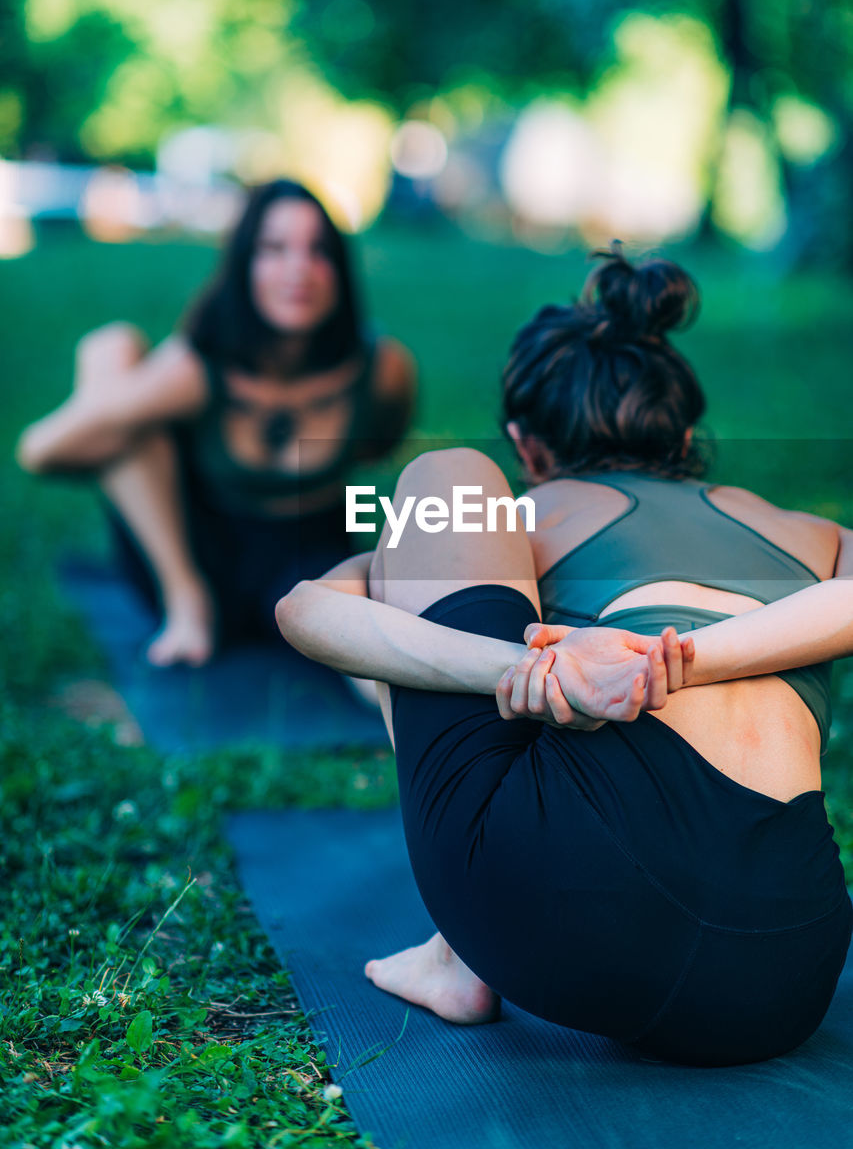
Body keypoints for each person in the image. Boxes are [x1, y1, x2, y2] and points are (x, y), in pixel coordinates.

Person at [275, 246, 853, 1067]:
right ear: (685, 436)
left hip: (570, 926)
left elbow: (308, 610)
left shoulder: (515, 513)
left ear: (527, 444)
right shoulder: (810, 531)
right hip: (787, 973)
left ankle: (456, 957)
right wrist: (673, 654)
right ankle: (458, 945)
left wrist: (538, 670)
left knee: (444, 476)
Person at [16, 179, 416, 666]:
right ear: (243, 264)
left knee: (366, 639)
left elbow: (381, 445)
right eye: (274, 248)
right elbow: (39, 452)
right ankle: (186, 603)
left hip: (309, 556)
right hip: (196, 555)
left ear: (341, 269)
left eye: (318, 250)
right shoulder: (199, 369)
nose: (298, 270)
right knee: (111, 353)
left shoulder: (382, 367)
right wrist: (115, 386)